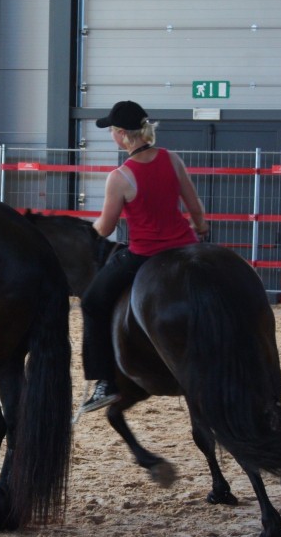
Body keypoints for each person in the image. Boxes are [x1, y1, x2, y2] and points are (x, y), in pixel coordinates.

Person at [79, 100, 209, 413]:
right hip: (185, 248)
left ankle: (105, 383)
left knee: (92, 302)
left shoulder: (121, 177)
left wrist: (89, 229)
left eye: (112, 130)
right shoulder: (172, 159)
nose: (112, 134)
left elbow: (106, 227)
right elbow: (195, 209)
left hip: (146, 254)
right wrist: (201, 228)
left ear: (122, 134)